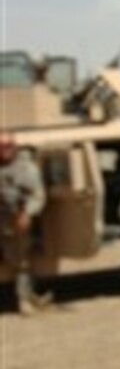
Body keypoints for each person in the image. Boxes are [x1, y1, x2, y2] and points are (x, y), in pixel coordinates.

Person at [1, 131, 47, 314]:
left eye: (7, 146)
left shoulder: (26, 168)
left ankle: (24, 299)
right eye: (1, 147)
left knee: (20, 262)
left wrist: (27, 213)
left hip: (14, 219)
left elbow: (37, 195)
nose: (4, 151)